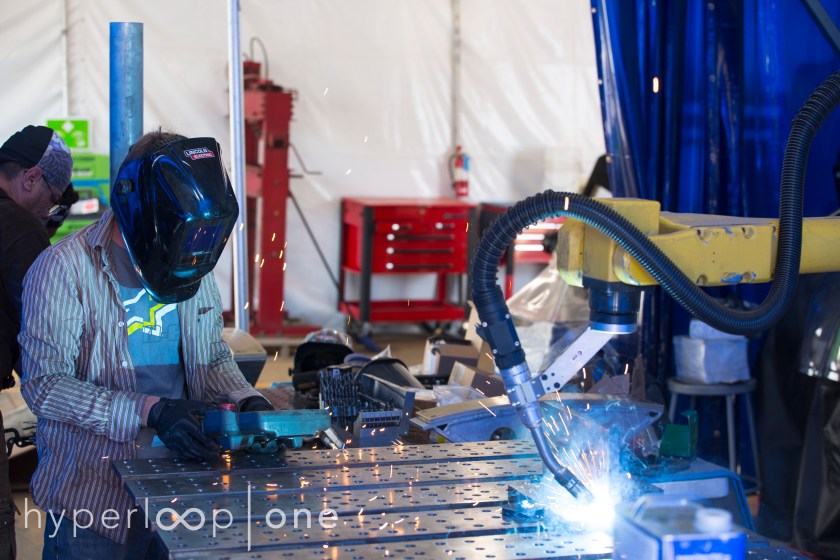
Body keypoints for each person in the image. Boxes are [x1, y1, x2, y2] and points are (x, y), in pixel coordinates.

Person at [18, 130, 273, 559]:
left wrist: (245, 400)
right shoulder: (62, 269)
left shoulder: (191, 261)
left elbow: (210, 357)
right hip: (93, 502)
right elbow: (45, 386)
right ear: (141, 210)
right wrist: (150, 409)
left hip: (183, 490)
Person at [0, 124, 73, 560]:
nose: (51, 209)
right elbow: (44, 329)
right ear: (30, 178)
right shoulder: (18, 224)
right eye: (52, 196)